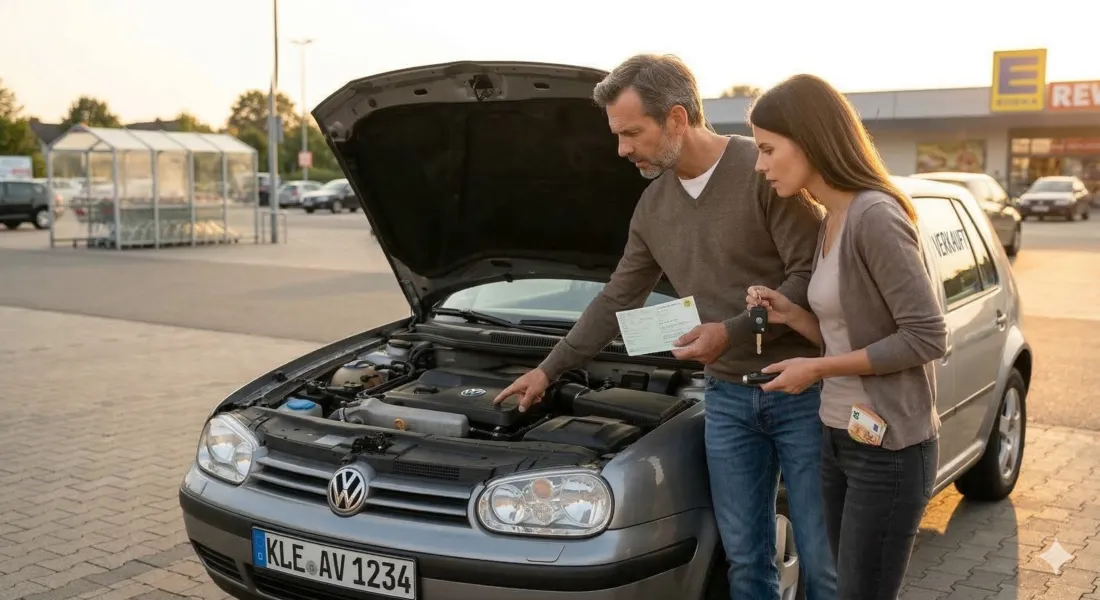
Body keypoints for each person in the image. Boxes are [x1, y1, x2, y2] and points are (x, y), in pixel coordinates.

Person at [492, 54, 838, 600]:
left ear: (677, 120)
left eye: (632, 132)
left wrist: (728, 330)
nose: (622, 149)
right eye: (618, 135)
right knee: (746, 561)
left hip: (801, 392)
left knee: (823, 562)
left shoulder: (766, 170)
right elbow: (617, 298)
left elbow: (807, 279)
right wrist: (549, 369)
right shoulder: (652, 207)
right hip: (726, 400)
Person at [742, 74, 948, 600]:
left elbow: (926, 336)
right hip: (838, 434)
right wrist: (792, 314)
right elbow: (843, 337)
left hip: (890, 447)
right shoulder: (829, 220)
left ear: (810, 140)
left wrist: (816, 370)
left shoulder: (874, 216)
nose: (759, 164)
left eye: (768, 150)